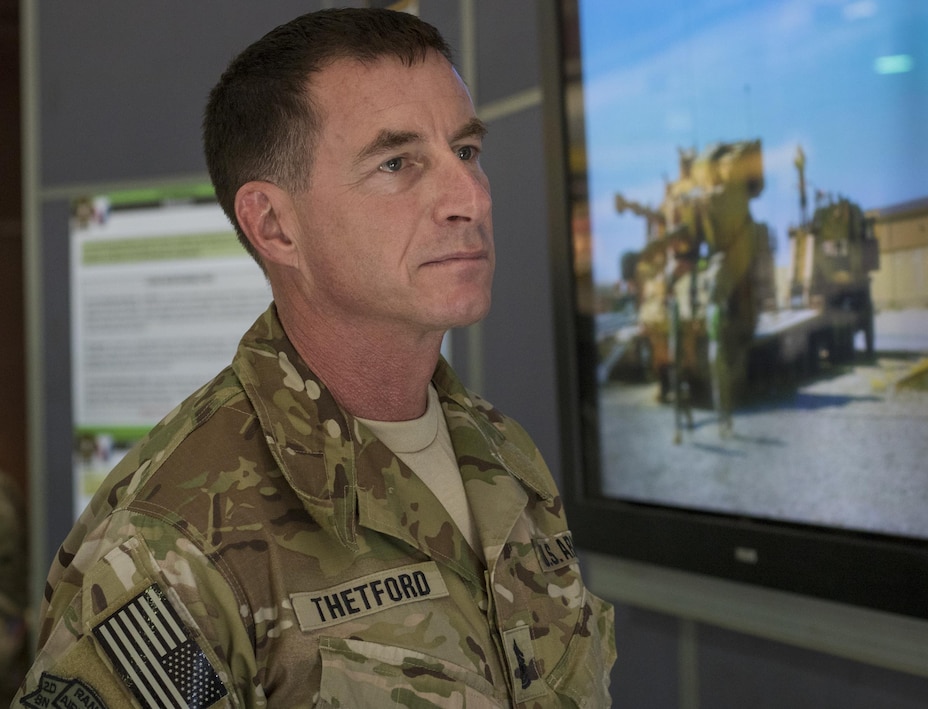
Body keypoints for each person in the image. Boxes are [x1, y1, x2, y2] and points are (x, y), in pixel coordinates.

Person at [14, 8, 615, 708]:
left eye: (466, 151)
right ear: (275, 225)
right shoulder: (173, 539)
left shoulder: (506, 455)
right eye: (396, 163)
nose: (468, 197)